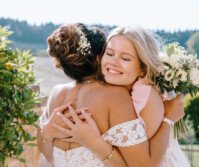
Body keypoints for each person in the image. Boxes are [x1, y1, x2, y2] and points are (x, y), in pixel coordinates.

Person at [37, 23, 184, 167]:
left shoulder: (56, 93)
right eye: (109, 53)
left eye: (125, 58)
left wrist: (46, 132)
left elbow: (50, 158)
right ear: (98, 57)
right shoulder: (115, 96)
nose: (113, 62)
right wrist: (168, 120)